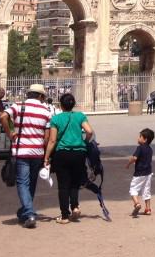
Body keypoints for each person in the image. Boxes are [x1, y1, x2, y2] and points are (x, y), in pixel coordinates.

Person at [1, 84, 53, 229]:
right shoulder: (46, 111)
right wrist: (46, 157)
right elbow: (46, 137)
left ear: (28, 94)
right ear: (41, 96)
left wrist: (10, 132)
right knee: (31, 183)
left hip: (21, 151)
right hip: (37, 152)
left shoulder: (18, 106)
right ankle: (25, 212)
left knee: (23, 183)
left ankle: (29, 213)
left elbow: (3, 116)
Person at [44, 93, 93, 224]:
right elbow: (89, 131)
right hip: (79, 153)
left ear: (61, 105)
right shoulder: (80, 116)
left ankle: (65, 215)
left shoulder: (56, 119)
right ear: (73, 104)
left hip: (62, 153)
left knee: (63, 185)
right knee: (75, 183)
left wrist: (46, 157)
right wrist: (85, 142)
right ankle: (75, 206)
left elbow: (52, 140)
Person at [127, 128, 155, 217]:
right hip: (148, 173)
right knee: (146, 190)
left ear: (145, 139)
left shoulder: (139, 148)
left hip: (139, 173)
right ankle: (148, 209)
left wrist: (128, 163)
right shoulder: (150, 149)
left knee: (133, 189)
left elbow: (135, 158)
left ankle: (137, 204)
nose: (138, 138)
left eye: (140, 137)